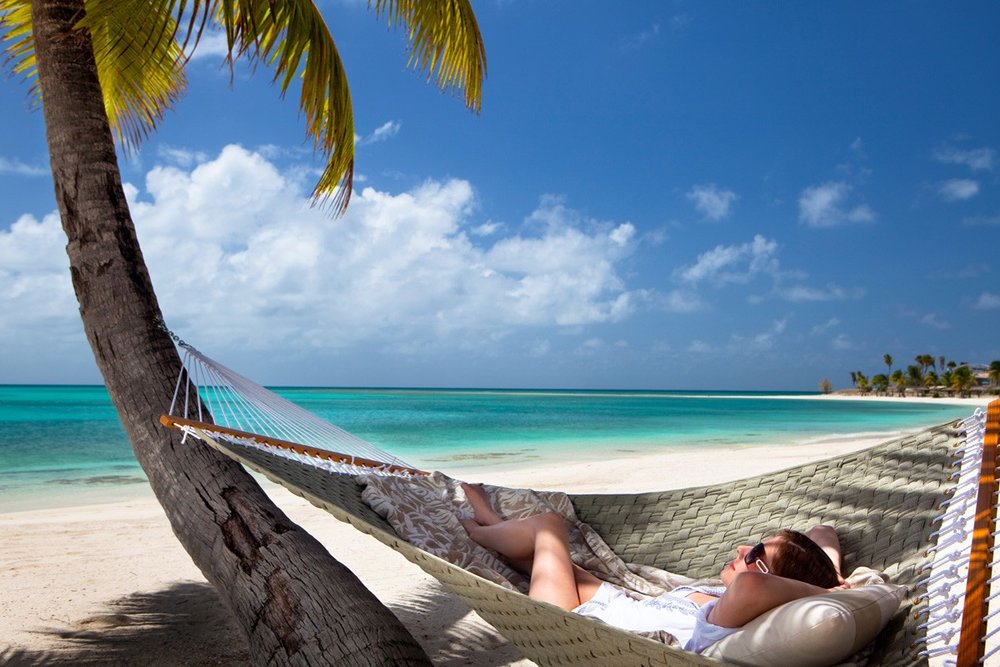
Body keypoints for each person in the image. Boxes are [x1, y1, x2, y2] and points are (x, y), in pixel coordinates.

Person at [458, 482, 846, 653]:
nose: (742, 546)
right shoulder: (754, 590)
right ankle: (492, 524)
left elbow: (754, 588)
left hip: (575, 622)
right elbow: (823, 530)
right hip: (613, 602)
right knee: (534, 554)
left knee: (549, 526)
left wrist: (824, 593)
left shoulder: (738, 610)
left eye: (755, 552)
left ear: (769, 579)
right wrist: (833, 574)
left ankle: (483, 526)